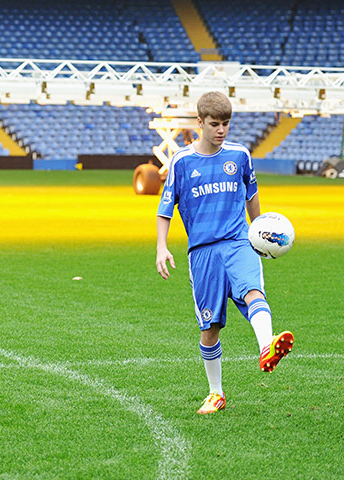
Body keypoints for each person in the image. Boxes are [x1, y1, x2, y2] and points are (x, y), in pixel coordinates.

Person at [155, 91, 294, 415]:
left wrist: (260, 232)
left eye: (226, 124)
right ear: (200, 123)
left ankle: (266, 347)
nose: (221, 130)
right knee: (210, 327)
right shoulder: (182, 161)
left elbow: (252, 195)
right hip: (202, 252)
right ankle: (216, 393)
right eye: (215, 124)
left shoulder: (241, 156)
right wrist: (162, 247)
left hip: (238, 242)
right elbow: (165, 209)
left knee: (252, 290)